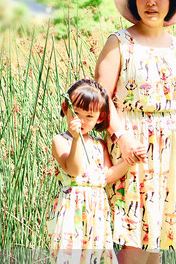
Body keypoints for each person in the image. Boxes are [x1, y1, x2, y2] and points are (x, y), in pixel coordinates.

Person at [95, 0, 176, 263]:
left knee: (155, 237)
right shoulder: (118, 42)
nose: (151, 2)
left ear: (171, 1)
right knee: (133, 235)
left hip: (168, 149)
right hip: (130, 147)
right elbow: (102, 101)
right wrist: (122, 140)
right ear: (135, 1)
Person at [46, 78, 145, 264]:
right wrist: (76, 139)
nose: (82, 121)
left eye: (89, 116)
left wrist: (130, 161)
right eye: (76, 113)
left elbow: (107, 176)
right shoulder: (61, 141)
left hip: (96, 211)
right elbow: (74, 170)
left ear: (100, 117)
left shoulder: (99, 145)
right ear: (65, 108)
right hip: (71, 210)